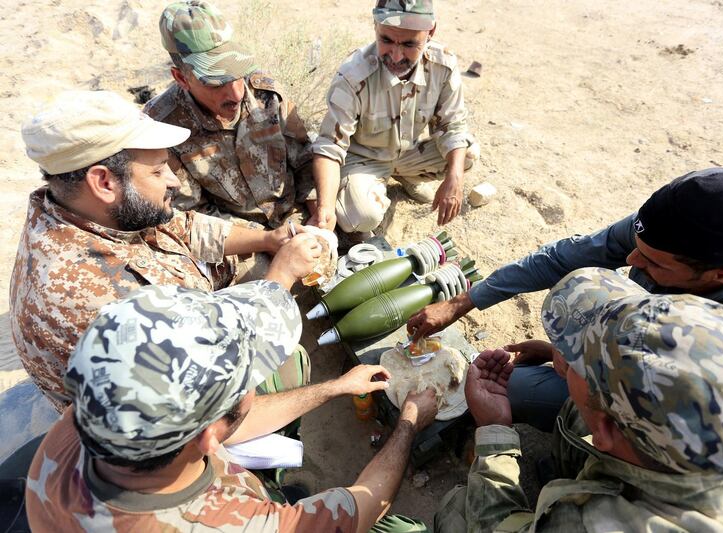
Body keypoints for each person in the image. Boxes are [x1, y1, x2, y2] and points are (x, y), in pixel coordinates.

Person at [25, 280, 437, 532]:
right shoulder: (237, 527)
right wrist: (409, 424)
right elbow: (370, 500)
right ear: (207, 437)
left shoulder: (85, 420)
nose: (254, 380)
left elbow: (231, 422)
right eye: (246, 380)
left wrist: (335, 387)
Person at [408, 168, 723, 431]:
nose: (631, 261)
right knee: (504, 385)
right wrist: (463, 302)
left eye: (652, 263)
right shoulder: (665, 234)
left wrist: (585, 364)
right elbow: (560, 258)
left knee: (521, 398)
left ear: (721, 277)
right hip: (652, 353)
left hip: (708, 410)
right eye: (636, 246)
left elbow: (677, 429)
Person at [11, 89, 322, 411]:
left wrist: (269, 239)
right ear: (103, 182)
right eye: (158, 171)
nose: (174, 182)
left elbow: (181, 227)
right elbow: (207, 374)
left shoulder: (92, 208)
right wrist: (280, 278)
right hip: (163, 417)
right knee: (289, 363)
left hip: (180, 335)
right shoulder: (98, 298)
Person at [435, 267, 723, 532]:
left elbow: (496, 527)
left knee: (456, 512)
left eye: (578, 363)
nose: (566, 362)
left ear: (607, 432)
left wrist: (495, 432)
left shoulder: (598, 525)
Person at [311, 0, 479, 237]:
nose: (397, 56)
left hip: (408, 153)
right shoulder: (354, 75)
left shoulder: (443, 65)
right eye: (386, 40)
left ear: (430, 32)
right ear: (375, 27)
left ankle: (406, 177)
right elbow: (330, 147)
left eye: (410, 44)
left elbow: (453, 126)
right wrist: (325, 208)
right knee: (361, 216)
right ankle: (373, 185)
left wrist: (455, 179)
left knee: (466, 155)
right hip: (364, 160)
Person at [144, 1, 315, 232]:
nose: (236, 93)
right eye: (216, 83)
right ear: (182, 78)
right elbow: (194, 216)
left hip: (296, 215)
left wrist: (318, 215)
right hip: (238, 239)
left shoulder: (266, 93)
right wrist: (268, 241)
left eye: (236, 73)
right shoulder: (162, 129)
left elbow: (306, 161)